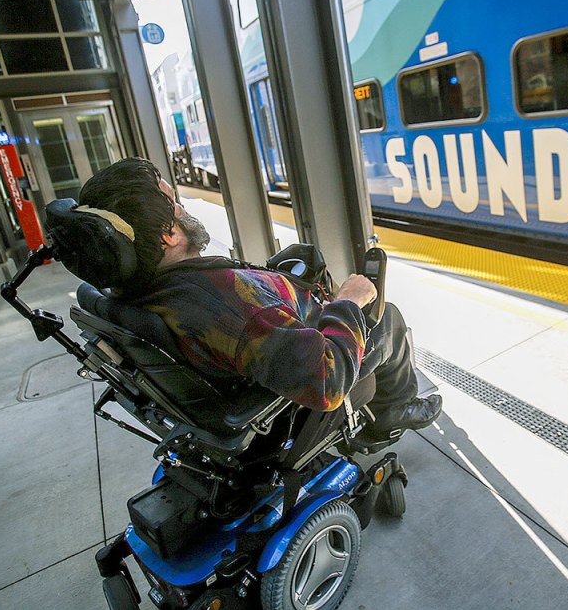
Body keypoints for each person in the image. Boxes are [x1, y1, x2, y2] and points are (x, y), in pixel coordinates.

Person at [77, 158, 442, 436]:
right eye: (176, 203)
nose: (184, 208)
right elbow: (326, 382)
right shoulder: (231, 310)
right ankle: (393, 411)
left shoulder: (134, 287)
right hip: (301, 380)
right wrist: (347, 302)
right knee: (388, 319)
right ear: (168, 234)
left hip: (262, 350)